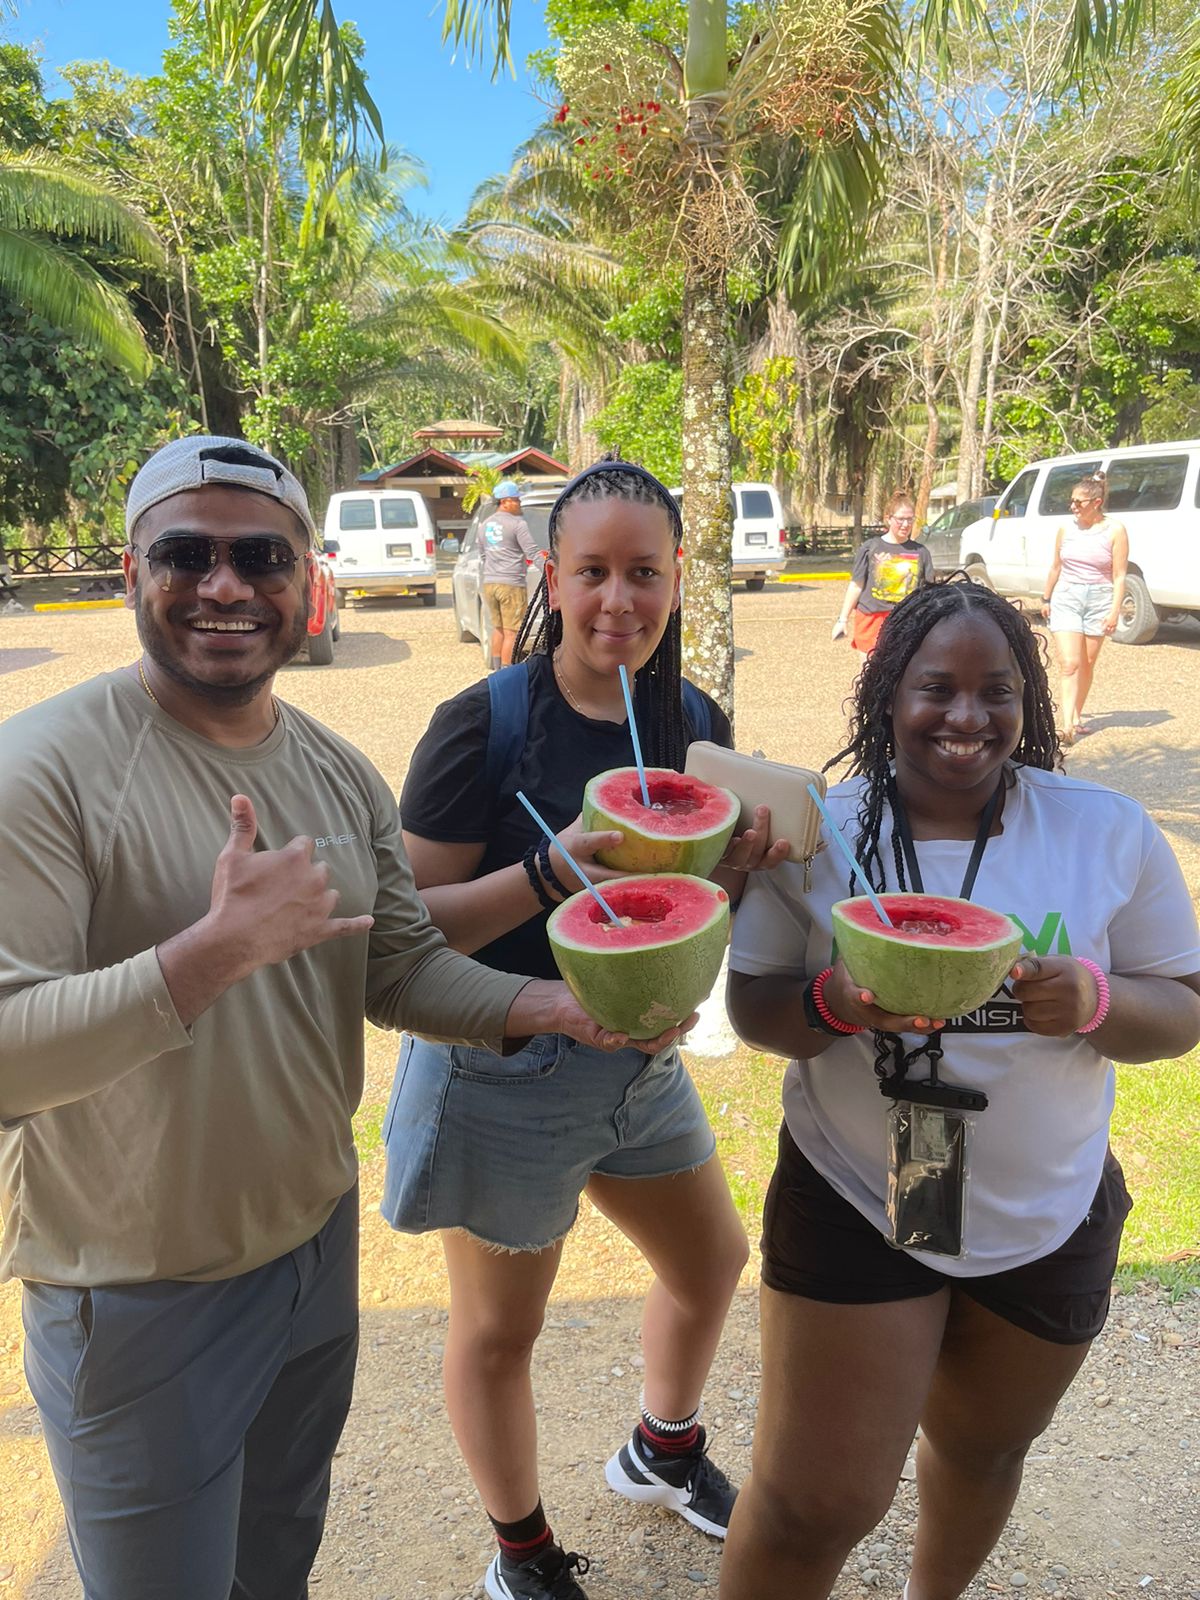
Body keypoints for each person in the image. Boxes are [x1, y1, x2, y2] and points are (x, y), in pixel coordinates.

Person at [0, 435, 679, 1600]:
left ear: (307, 580)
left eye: (261, 556)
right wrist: (205, 956)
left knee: (278, 1565)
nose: (225, 584)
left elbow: (400, 968)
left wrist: (562, 1008)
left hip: (313, 1253)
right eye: (187, 554)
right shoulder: (41, 771)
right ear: (130, 572)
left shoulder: (340, 771)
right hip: (138, 1285)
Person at [720, 578, 1200, 1600]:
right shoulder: (820, 829)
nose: (968, 717)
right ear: (889, 692)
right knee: (814, 1503)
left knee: (983, 1453)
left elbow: (1183, 1009)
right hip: (858, 1195)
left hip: (1047, 1209)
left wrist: (1097, 999)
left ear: (1029, 701)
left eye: (999, 691)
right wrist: (838, 1003)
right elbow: (757, 1006)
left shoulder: (1103, 830)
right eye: (937, 687)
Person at [383, 459, 789, 1600]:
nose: (620, 599)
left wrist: (741, 868)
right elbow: (408, 932)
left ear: (677, 579)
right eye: (594, 571)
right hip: (506, 1066)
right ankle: (521, 1553)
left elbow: (695, 906)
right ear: (551, 579)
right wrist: (545, 873)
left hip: (639, 1064)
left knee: (710, 1263)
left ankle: (661, 1449)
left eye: (644, 573)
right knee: (501, 1332)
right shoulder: (482, 725)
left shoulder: (692, 724)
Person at [1041, 470, 1128, 744]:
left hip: (1099, 599)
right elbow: (1056, 566)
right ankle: (1066, 726)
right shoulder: (1065, 529)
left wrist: (1114, 610)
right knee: (1070, 663)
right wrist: (1046, 598)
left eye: (1079, 502)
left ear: (1096, 502)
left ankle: (1076, 715)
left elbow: (1120, 575)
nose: (1073, 507)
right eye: (1071, 501)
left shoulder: (1115, 530)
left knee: (1087, 663)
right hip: (1067, 596)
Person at [833, 492, 934, 653]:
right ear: (888, 518)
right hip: (871, 620)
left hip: (906, 621)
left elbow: (929, 592)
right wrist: (842, 620)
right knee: (870, 667)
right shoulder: (870, 548)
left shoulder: (921, 552)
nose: (906, 524)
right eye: (900, 519)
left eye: (910, 519)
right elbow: (856, 586)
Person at [483, 480, 541, 670]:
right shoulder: (517, 524)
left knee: (498, 629)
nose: (519, 503)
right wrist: (552, 572)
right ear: (505, 502)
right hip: (511, 584)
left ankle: (496, 670)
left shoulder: (485, 525)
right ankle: (507, 673)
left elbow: (483, 555)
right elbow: (532, 552)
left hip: (490, 583)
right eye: (516, 500)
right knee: (512, 632)